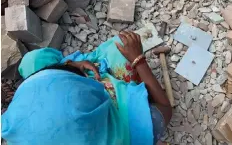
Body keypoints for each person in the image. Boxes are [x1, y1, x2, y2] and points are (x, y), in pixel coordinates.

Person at [1, 31, 172, 145]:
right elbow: (165, 109)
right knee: (121, 45)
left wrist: (71, 64)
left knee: (33, 62)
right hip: (120, 122)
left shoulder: (13, 127)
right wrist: (138, 60)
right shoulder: (129, 133)